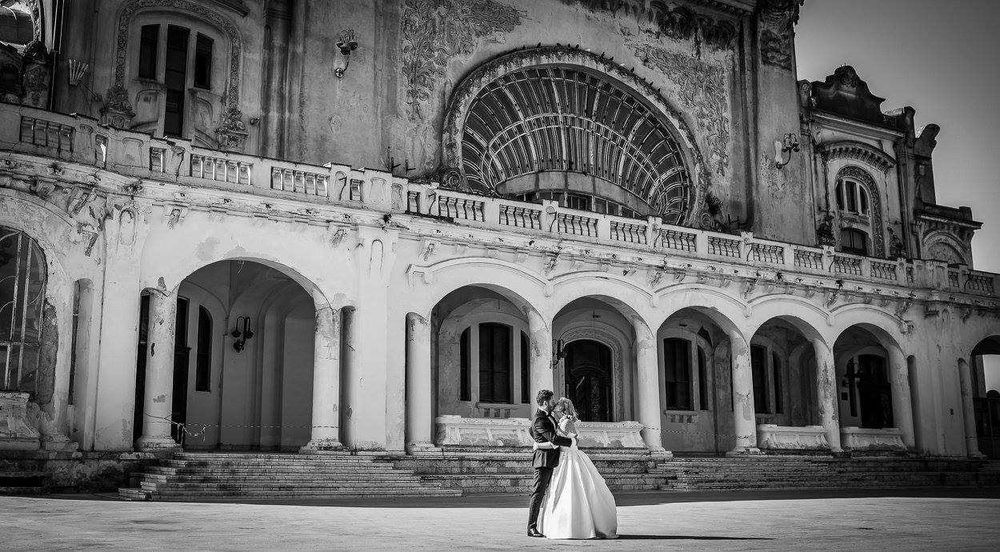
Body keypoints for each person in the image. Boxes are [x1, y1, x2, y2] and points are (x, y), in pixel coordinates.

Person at [533, 397, 618, 539]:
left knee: (570, 490)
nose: (554, 408)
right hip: (563, 458)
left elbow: (560, 442)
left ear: (562, 410)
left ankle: (575, 527)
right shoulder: (561, 421)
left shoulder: (566, 422)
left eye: (557, 407)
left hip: (568, 458)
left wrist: (539, 445)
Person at [527, 389, 575, 538]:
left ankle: (546, 524)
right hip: (543, 461)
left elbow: (530, 431)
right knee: (538, 492)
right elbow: (553, 438)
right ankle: (531, 527)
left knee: (549, 493)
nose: (554, 403)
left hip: (552, 459)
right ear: (545, 402)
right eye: (552, 401)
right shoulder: (540, 419)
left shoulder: (548, 416)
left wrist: (538, 442)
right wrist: (572, 442)